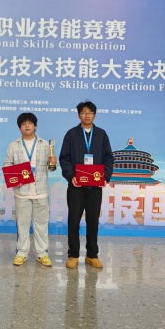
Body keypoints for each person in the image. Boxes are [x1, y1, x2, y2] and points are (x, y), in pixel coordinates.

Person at [59, 101, 113, 269]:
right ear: (79, 115)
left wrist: (105, 176)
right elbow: (64, 158)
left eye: (90, 112)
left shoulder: (101, 134)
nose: (87, 115)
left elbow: (108, 158)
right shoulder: (71, 134)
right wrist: (71, 176)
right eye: (83, 112)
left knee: (93, 220)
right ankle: (73, 255)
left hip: (95, 186)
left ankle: (92, 255)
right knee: (74, 220)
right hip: (76, 185)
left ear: (94, 115)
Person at [4, 113, 57, 267]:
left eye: (30, 123)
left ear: (35, 126)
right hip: (22, 191)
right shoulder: (13, 145)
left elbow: (51, 168)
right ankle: (22, 252)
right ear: (19, 128)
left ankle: (42, 253)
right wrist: (18, 173)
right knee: (22, 223)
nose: (27, 126)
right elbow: (7, 165)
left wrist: (54, 163)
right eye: (23, 124)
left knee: (41, 224)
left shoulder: (45, 144)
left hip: (41, 191)